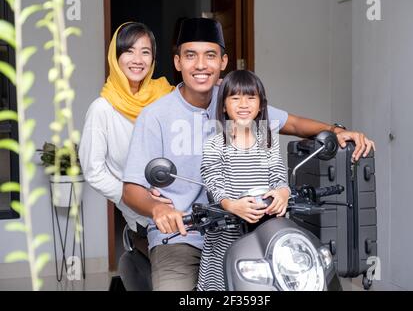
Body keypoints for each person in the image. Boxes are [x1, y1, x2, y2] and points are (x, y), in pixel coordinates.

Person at [122, 17, 375, 291]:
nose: (200, 65)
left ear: (223, 62)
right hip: (184, 235)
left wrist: (335, 130)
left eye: (210, 55)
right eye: (190, 55)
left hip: (249, 227)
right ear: (177, 62)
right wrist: (157, 209)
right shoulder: (155, 115)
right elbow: (131, 189)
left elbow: (291, 123)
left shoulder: (235, 100)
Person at [79, 22, 174, 257]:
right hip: (143, 219)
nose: (137, 59)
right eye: (129, 51)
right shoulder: (102, 109)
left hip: (184, 210)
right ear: (116, 57)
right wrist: (131, 197)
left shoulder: (166, 97)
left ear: (153, 59)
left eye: (145, 52)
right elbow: (93, 170)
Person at [197, 69, 290, 291]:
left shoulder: (268, 140)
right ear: (223, 105)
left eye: (250, 97)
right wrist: (231, 204)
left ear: (260, 104)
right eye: (235, 98)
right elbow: (213, 181)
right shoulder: (214, 143)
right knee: (226, 284)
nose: (243, 104)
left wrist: (283, 193)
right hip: (227, 232)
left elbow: (278, 174)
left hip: (264, 230)